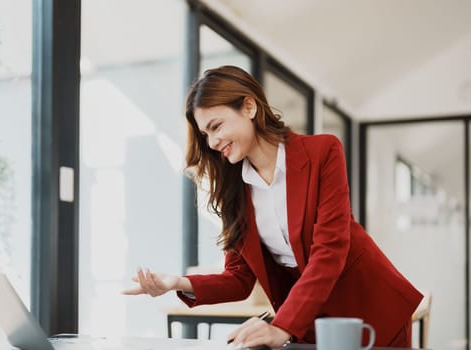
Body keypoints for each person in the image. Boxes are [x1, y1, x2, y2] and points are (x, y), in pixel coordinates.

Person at [123, 65, 423, 348]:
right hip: (310, 324)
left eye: (216, 127)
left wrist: (282, 326)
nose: (212, 142)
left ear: (249, 107)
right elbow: (239, 279)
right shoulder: (235, 192)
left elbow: (329, 251)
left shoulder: (323, 152)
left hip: (370, 311)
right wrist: (178, 282)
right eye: (205, 135)